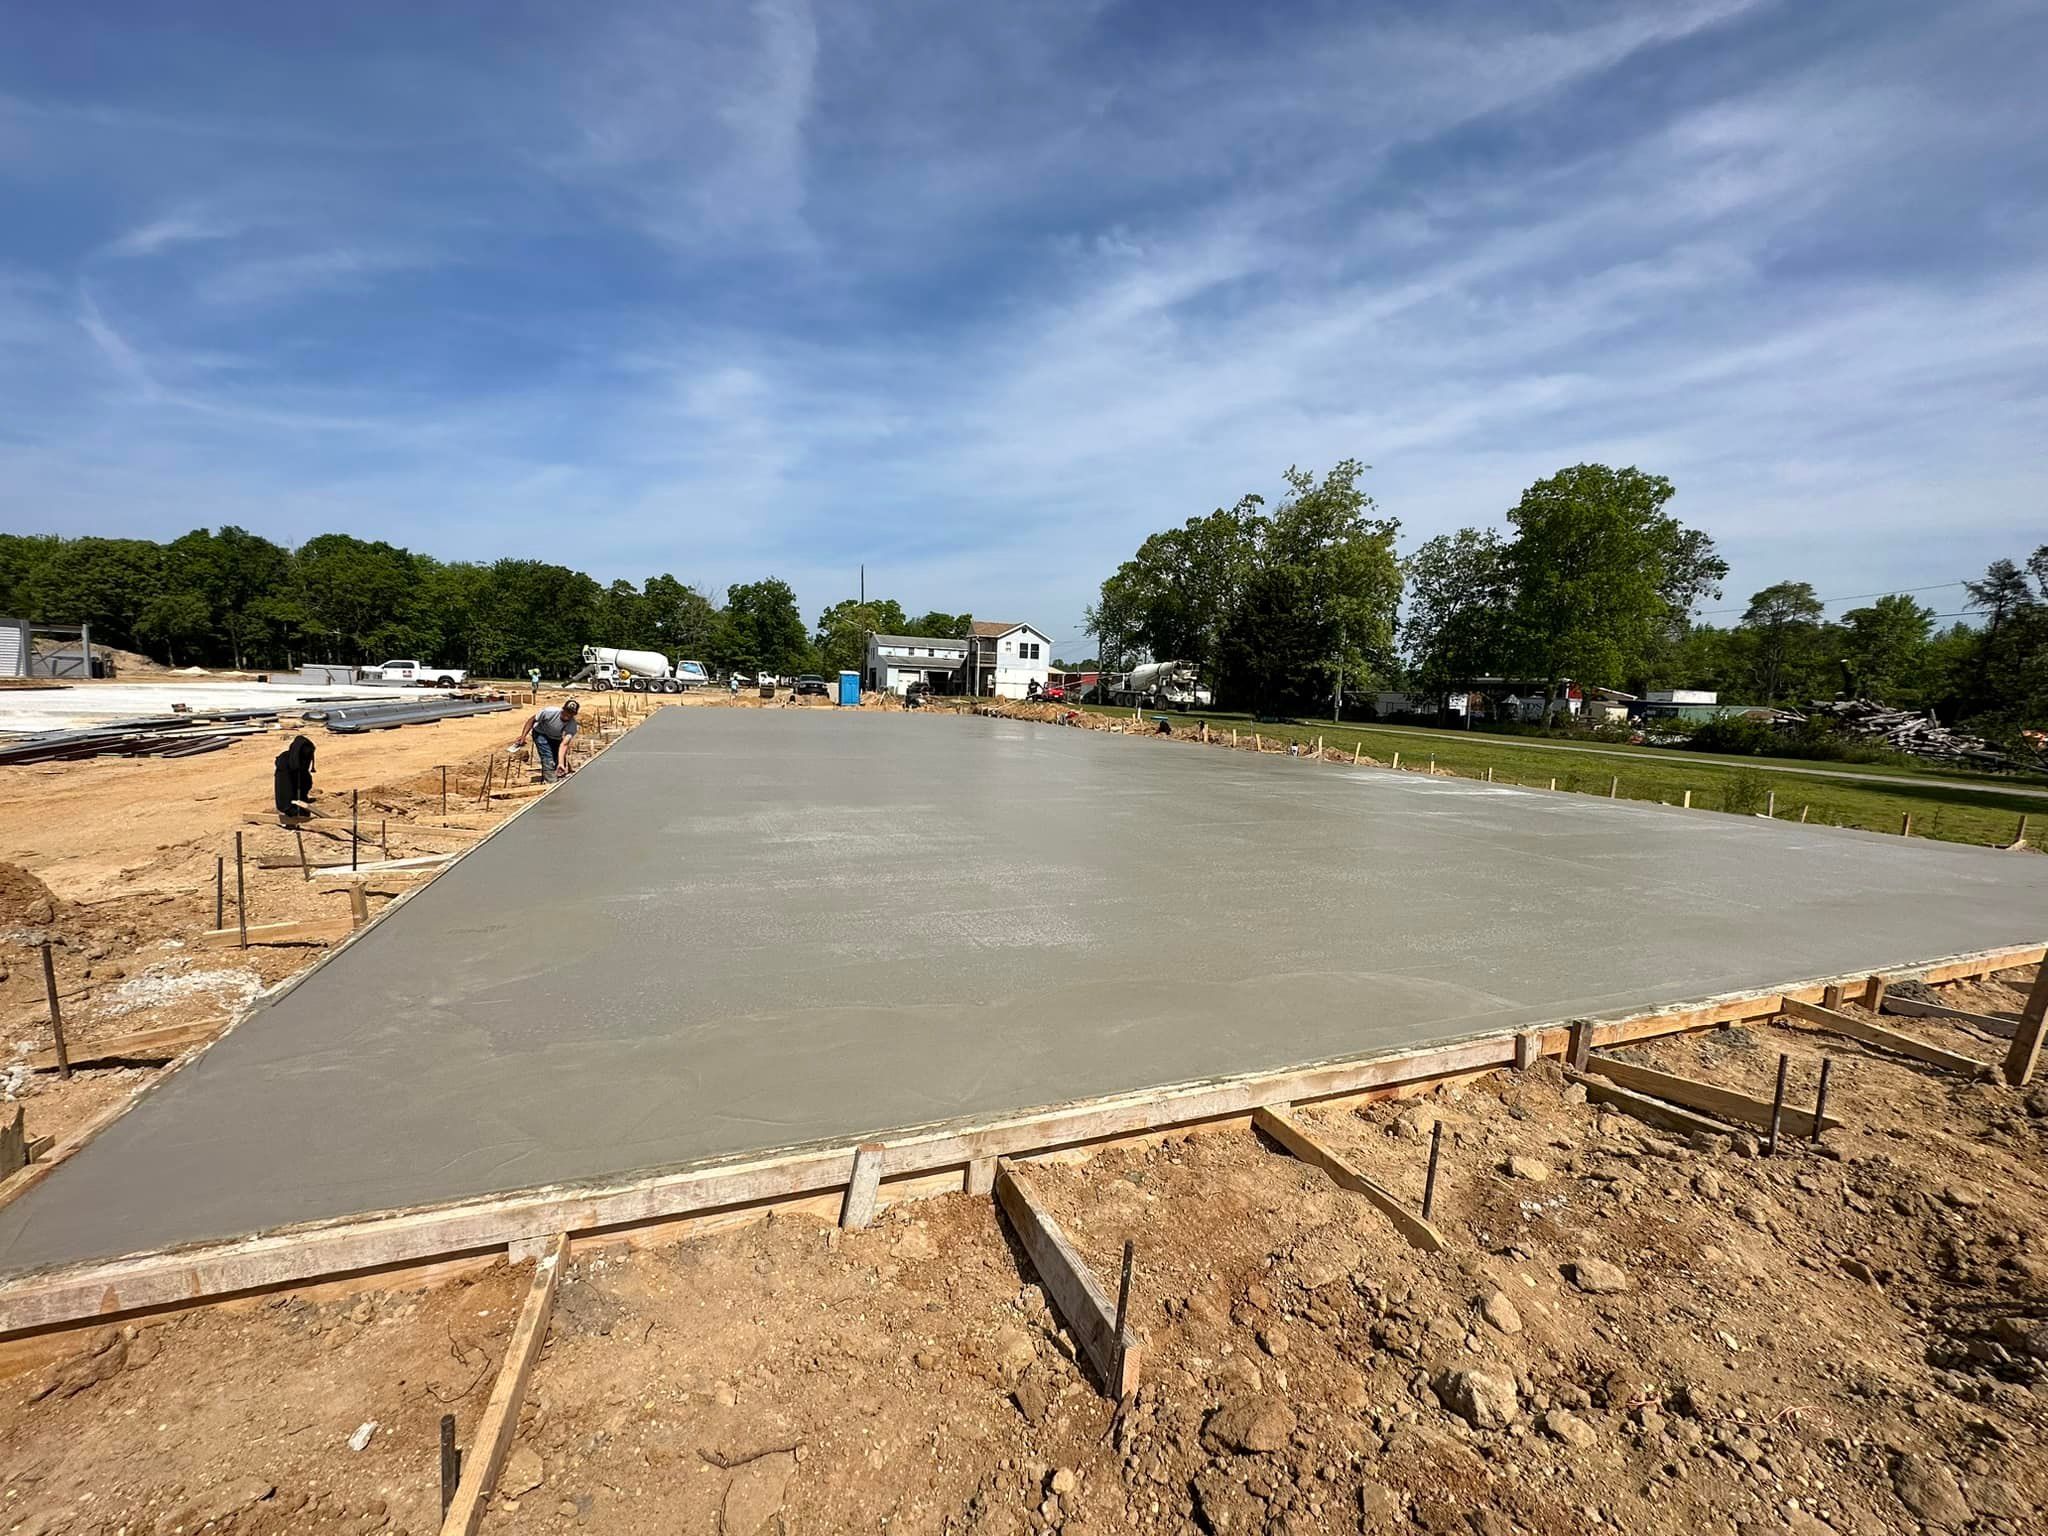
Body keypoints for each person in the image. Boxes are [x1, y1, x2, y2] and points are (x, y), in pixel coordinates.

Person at [514, 698, 581, 783]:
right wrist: (523, 736)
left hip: (555, 737)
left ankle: (560, 775)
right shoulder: (549, 712)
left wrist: (560, 763)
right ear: (563, 709)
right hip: (541, 733)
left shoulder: (572, 725)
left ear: (574, 714)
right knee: (547, 757)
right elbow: (532, 720)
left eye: (571, 713)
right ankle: (551, 782)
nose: (567, 715)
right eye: (566, 711)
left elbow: (564, 744)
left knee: (558, 758)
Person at [273, 734, 315, 819]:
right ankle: (290, 810)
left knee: (306, 782)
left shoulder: (302, 757)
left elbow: (305, 779)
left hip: (299, 785)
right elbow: (284, 788)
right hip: (288, 795)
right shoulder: (285, 760)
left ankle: (300, 808)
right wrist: (288, 807)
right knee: (287, 791)